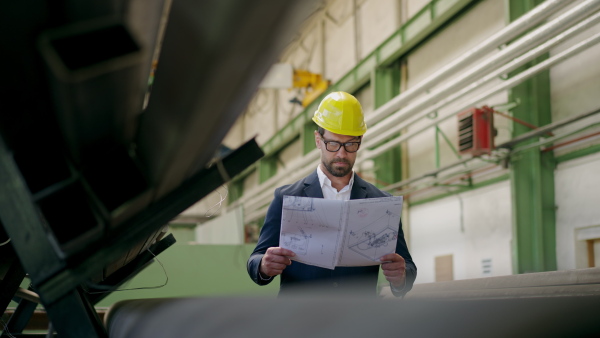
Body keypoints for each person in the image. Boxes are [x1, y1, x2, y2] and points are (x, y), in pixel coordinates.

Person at [247, 91, 417, 297]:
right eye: (333, 143)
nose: (341, 154)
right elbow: (255, 259)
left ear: (360, 141)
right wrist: (264, 266)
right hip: (299, 321)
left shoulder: (382, 204)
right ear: (318, 139)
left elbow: (407, 266)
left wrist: (401, 277)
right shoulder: (286, 199)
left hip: (357, 321)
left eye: (351, 145)